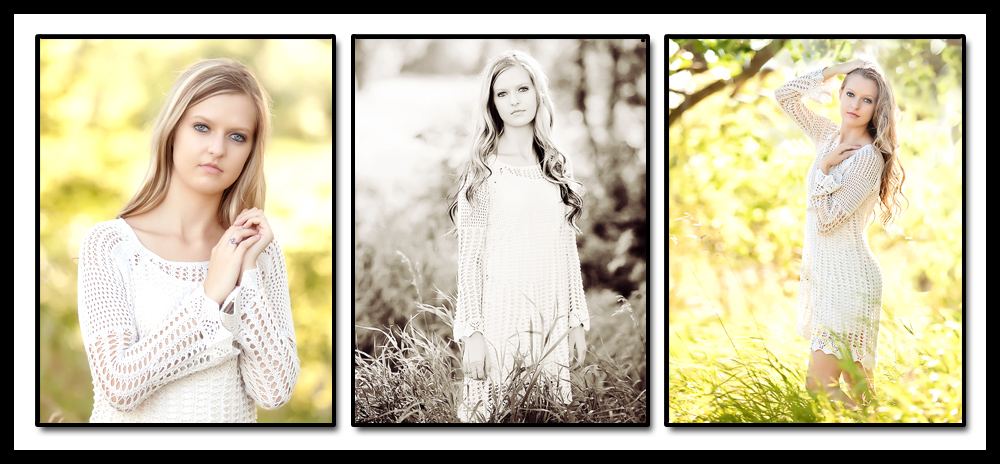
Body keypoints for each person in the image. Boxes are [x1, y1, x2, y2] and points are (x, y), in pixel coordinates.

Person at [76, 58, 299, 422]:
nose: (217, 148)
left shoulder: (257, 249)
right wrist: (210, 299)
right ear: (173, 131)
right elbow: (119, 386)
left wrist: (247, 274)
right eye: (202, 127)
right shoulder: (111, 245)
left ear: (250, 153)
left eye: (237, 136)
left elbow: (274, 391)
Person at [448, 50, 590, 422]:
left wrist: (575, 319)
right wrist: (473, 334)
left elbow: (566, 250)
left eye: (523, 89)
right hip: (499, 317)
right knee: (493, 417)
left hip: (550, 318)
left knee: (545, 417)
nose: (514, 101)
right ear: (492, 104)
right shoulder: (483, 172)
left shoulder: (557, 165)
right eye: (503, 94)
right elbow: (470, 260)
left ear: (538, 93)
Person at [775, 58, 906, 409]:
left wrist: (823, 167)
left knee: (821, 387)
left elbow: (828, 220)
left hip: (851, 281)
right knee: (860, 392)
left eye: (867, 100)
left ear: (878, 108)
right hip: (830, 279)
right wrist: (840, 67)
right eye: (850, 93)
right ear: (840, 94)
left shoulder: (867, 158)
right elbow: (784, 96)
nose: (855, 105)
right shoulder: (827, 135)